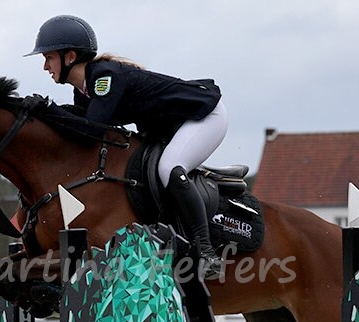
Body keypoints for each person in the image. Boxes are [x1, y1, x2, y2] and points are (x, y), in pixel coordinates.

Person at [26, 15, 229, 279]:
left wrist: (48, 109)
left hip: (204, 116)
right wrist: (44, 114)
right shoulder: (84, 90)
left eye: (49, 58)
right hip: (171, 126)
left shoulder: (104, 77)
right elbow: (77, 124)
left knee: (169, 168)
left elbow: (92, 130)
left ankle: (207, 252)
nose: (45, 66)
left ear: (70, 56)